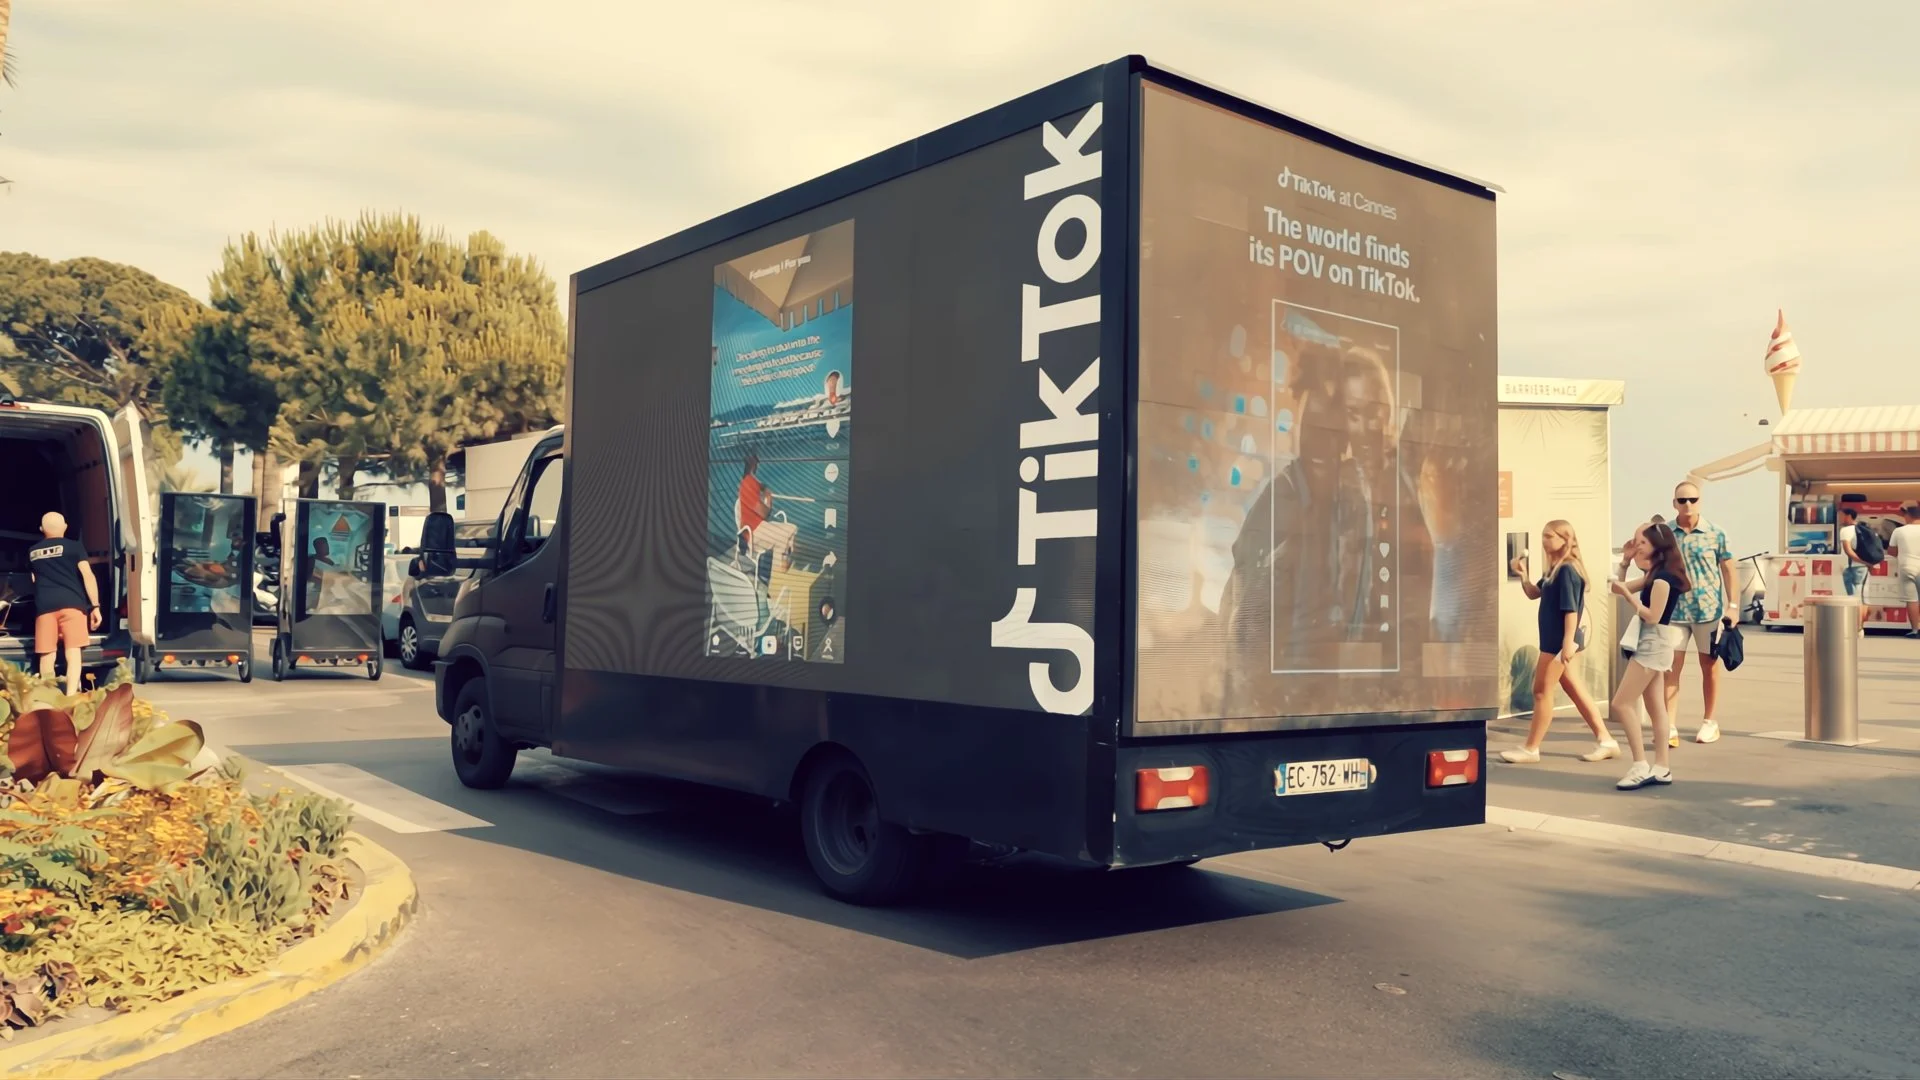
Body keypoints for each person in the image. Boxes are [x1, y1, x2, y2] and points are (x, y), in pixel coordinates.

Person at [1500, 520, 1617, 763]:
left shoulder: (1567, 570)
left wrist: (1566, 643)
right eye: (1543, 535)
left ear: (1566, 539)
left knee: (1541, 692)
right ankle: (1606, 740)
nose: (1544, 540)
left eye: (1549, 536)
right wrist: (1523, 575)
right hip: (1557, 641)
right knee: (1574, 688)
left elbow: (1570, 610)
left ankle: (1531, 749)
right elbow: (1535, 593)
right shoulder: (1554, 570)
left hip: (1557, 643)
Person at [1609, 522, 1691, 790]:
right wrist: (1624, 562)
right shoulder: (1656, 574)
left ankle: (1640, 765)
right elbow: (1617, 588)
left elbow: (1653, 616)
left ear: (1657, 545)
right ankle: (1662, 767)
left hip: (1653, 642)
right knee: (1656, 706)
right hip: (1656, 642)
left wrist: (1633, 601)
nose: (1638, 546)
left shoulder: (1662, 580)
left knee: (1621, 704)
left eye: (1642, 542)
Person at [1664, 482, 1736, 745]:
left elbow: (1729, 570)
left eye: (1692, 500)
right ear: (1674, 503)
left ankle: (1709, 721)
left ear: (1700, 501)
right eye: (1682, 500)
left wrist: (1734, 606)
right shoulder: (1666, 534)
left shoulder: (1716, 533)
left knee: (1709, 667)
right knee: (1671, 668)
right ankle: (1669, 725)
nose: (1688, 505)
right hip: (1675, 612)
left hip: (1708, 611)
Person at [28, 512, 101, 696]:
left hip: (44, 608)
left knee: (47, 655)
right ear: (65, 527)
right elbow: (88, 576)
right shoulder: (74, 547)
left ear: (41, 529)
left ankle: (48, 697)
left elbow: (34, 580)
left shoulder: (33, 552)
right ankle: (70, 695)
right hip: (72, 605)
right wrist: (95, 606)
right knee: (73, 653)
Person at [1837, 506, 1877, 633]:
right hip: (1861, 568)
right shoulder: (1863, 529)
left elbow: (1848, 551)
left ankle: (1855, 627)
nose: (1840, 518)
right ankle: (1859, 628)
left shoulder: (1845, 530)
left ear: (1848, 516)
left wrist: (1865, 563)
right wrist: (1868, 563)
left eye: (1841, 515)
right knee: (1862, 599)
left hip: (1850, 567)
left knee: (1853, 598)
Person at [1890, 505, 1920, 639]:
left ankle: (1915, 630)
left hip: (1908, 567)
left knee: (1912, 600)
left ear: (1908, 516)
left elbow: (1892, 551)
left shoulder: (1899, 531)